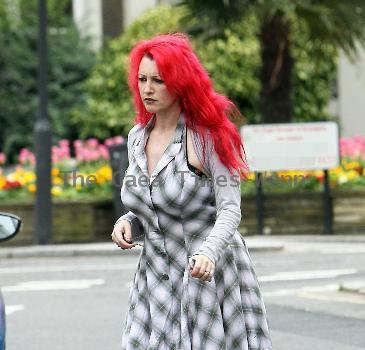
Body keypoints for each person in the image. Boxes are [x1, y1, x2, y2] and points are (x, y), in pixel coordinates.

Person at [111, 33, 273, 350]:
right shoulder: (137, 137)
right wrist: (128, 222)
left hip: (205, 273)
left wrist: (209, 253)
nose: (147, 88)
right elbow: (150, 205)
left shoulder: (206, 136)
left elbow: (230, 210)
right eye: (142, 79)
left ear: (181, 82)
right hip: (155, 275)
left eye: (158, 80)